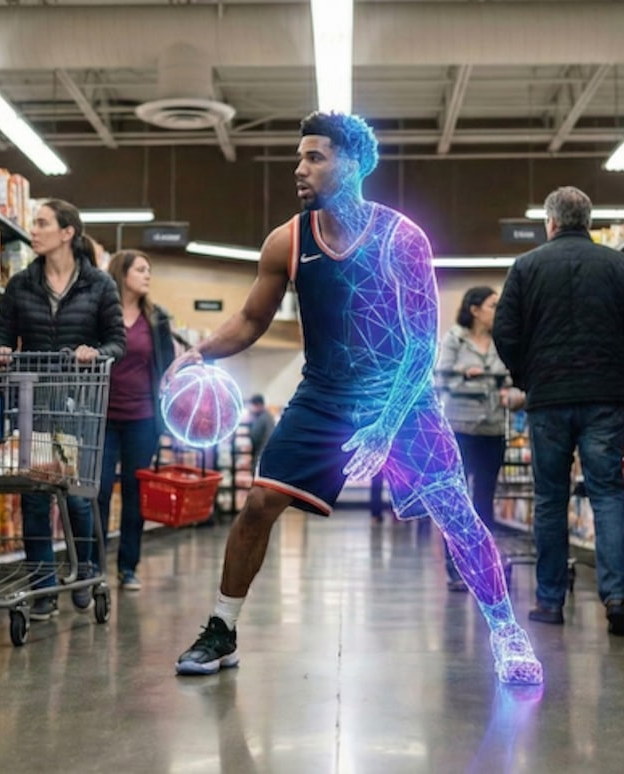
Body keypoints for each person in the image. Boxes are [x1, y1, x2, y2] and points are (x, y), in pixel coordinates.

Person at [170, 112, 542, 685]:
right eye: (300, 157)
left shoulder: (403, 238)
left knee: (458, 516)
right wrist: (202, 354)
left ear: (354, 164)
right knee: (258, 504)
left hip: (404, 398)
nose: (300, 168)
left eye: (314, 157)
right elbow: (248, 319)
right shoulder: (287, 241)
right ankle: (222, 629)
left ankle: (507, 632)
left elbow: (421, 346)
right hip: (324, 397)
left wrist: (384, 426)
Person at [492, 186, 624, 637]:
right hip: (605, 396)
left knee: (551, 498)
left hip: (549, 398)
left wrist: (526, 376)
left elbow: (504, 332)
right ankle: (618, 600)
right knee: (607, 494)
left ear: (550, 223)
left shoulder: (526, 267)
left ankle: (549, 602)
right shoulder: (616, 267)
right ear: (588, 223)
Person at [0, 199, 126, 621]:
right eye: (35, 223)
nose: (34, 230)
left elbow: (116, 342)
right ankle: (44, 589)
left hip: (78, 403)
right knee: (34, 498)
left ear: (67, 232)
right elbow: (2, 336)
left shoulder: (100, 285)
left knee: (78, 498)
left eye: (43, 223)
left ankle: (84, 568)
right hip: (33, 403)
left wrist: (94, 351)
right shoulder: (20, 284)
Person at [98, 250, 176, 593]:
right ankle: (93, 564)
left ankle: (128, 567)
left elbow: (169, 366)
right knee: (96, 492)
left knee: (135, 493)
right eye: (141, 269)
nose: (147, 275)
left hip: (142, 419)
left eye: (150, 269)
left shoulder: (156, 319)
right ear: (122, 273)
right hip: (101, 418)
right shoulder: (101, 315)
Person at [435, 286, 523, 592]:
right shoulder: (455, 339)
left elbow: (516, 383)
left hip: (493, 430)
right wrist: (466, 375)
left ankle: (483, 569)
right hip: (460, 429)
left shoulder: (503, 343)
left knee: (484, 502)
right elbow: (440, 377)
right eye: (492, 305)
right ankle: (457, 568)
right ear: (474, 309)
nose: (497, 311)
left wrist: (511, 396)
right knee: (459, 504)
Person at [246, 394, 275, 468]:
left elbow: (258, 436)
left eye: (252, 405)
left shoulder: (264, 418)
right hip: (263, 454)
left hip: (262, 455)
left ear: (258, 405)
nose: (251, 408)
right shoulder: (264, 417)